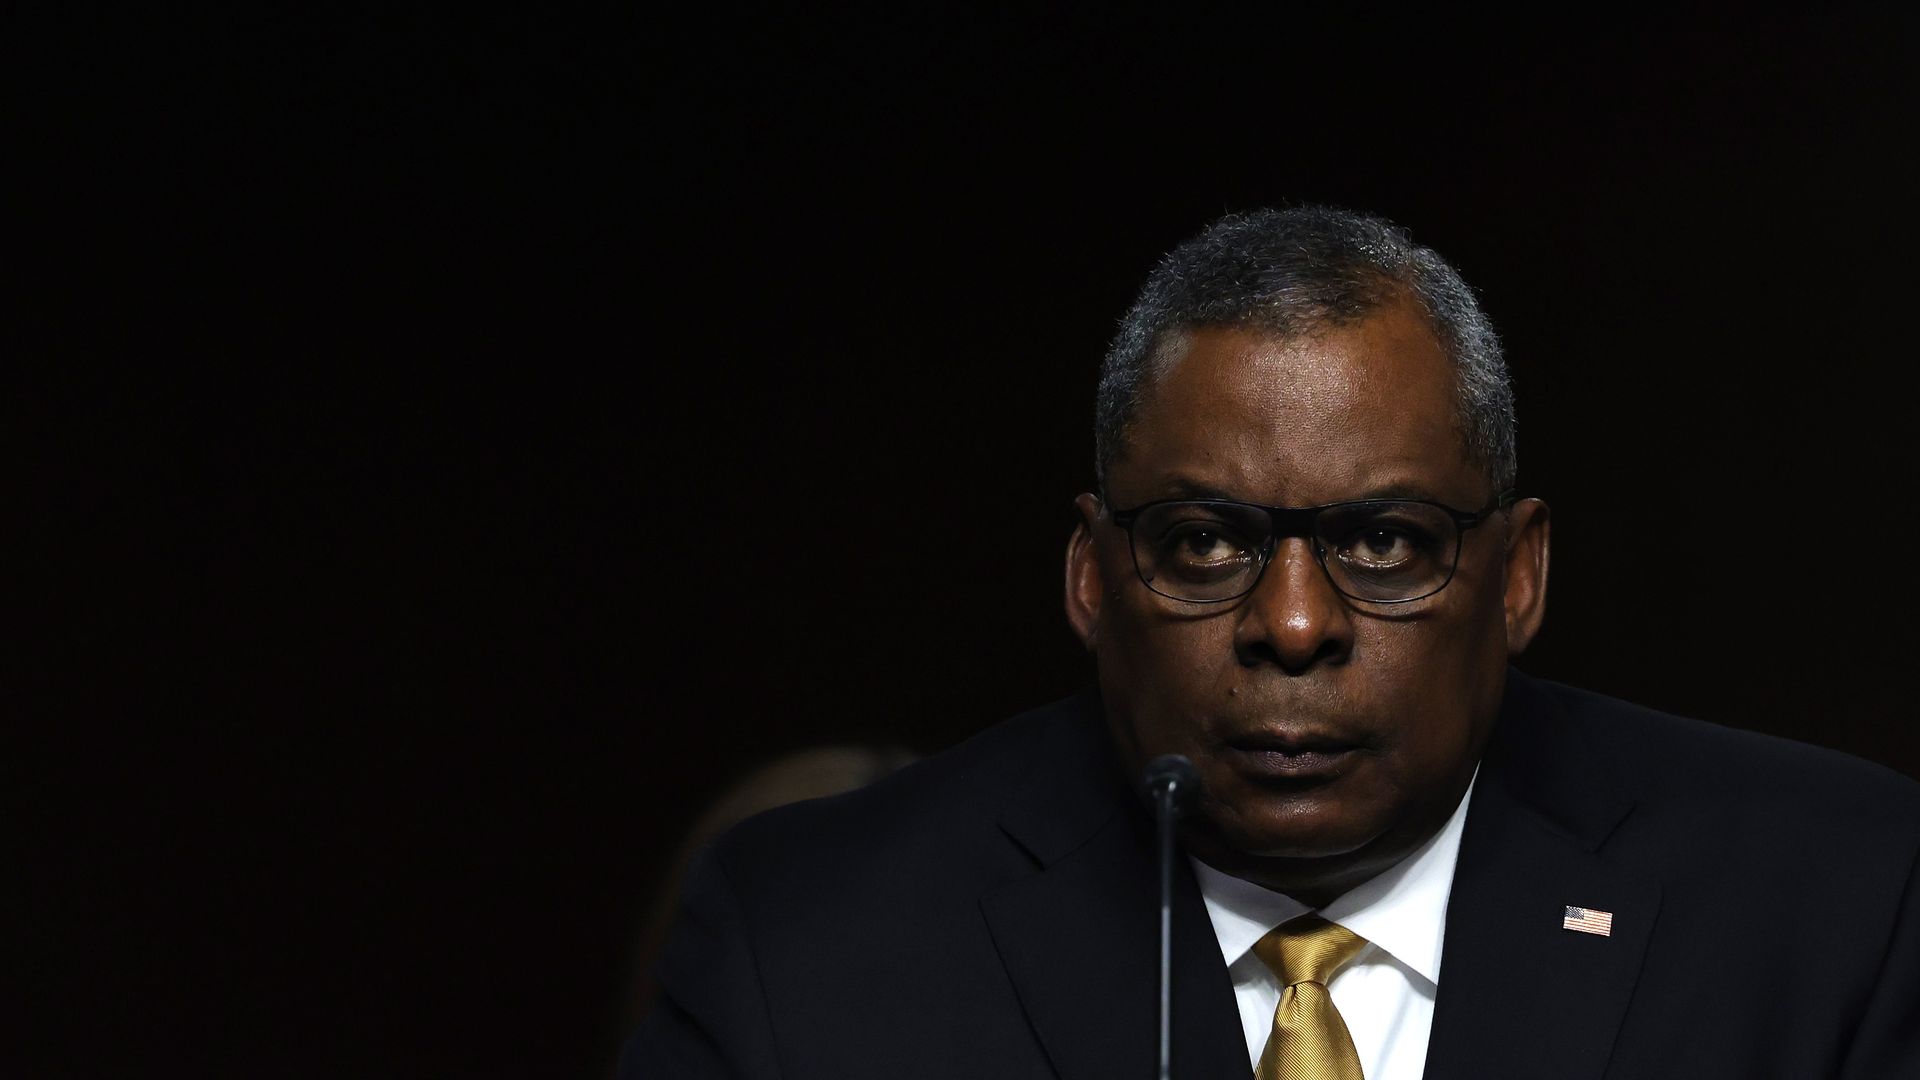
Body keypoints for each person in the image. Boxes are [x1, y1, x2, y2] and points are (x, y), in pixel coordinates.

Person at [618, 207, 1920, 1079]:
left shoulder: (1837, 908)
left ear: (1518, 576)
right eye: (1203, 544)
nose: (1293, 626)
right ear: (1092, 577)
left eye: (1386, 542)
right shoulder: (810, 947)